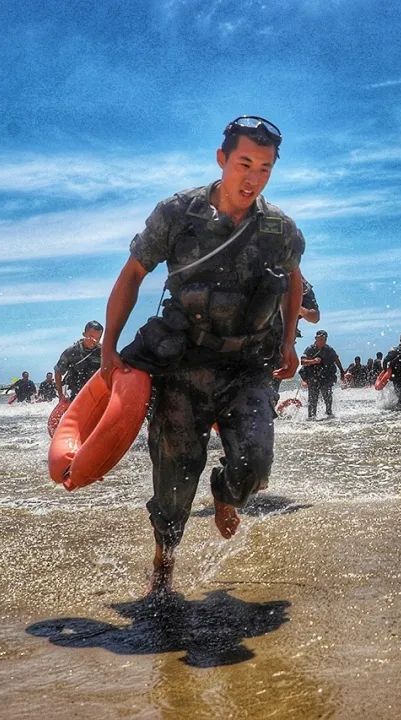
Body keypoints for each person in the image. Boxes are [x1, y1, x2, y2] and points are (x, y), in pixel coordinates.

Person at [98, 115, 304, 593]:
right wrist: (109, 345)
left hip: (247, 366)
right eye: (245, 164)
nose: (253, 178)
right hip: (182, 367)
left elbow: (294, 280)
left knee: (255, 464)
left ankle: (226, 495)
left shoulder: (279, 229)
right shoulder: (177, 214)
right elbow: (132, 276)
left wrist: (289, 340)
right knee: (172, 487)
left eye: (266, 168)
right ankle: (164, 568)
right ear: (222, 159)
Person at [300, 330, 345, 419]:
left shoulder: (329, 349)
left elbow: (336, 360)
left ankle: (329, 414)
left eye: (324, 339)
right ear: (316, 339)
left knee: (327, 397)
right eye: (319, 339)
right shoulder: (310, 349)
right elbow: (302, 362)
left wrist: (342, 372)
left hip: (326, 377)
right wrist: (313, 361)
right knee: (313, 400)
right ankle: (312, 418)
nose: (322, 341)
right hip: (313, 377)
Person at [55, 321, 103, 401]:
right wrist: (60, 395)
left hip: (96, 393)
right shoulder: (71, 352)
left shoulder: (104, 352)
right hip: (75, 394)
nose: (94, 341)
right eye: (91, 337)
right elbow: (58, 372)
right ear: (84, 334)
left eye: (97, 338)